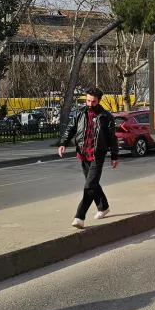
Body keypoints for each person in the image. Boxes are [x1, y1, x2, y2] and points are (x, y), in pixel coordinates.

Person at [58, 87, 119, 229]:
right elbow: (70, 129)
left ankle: (79, 217)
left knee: (89, 186)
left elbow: (112, 138)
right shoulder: (79, 113)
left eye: (93, 101)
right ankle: (103, 207)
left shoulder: (106, 117)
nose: (90, 104)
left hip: (98, 154)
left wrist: (114, 155)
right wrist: (63, 143)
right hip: (83, 153)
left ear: (99, 101)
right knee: (92, 183)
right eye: (88, 100)